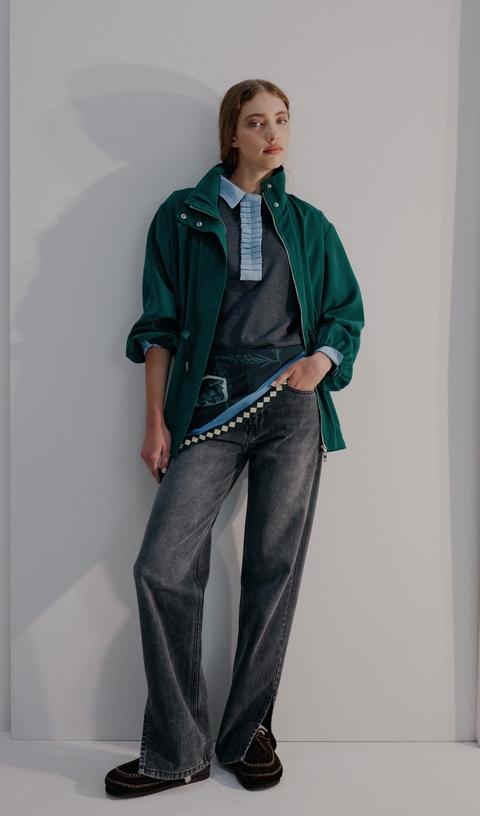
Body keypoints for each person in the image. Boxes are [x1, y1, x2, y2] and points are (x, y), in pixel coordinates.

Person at [105, 78, 364, 798]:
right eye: (256, 122)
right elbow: (158, 326)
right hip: (210, 406)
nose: (273, 134)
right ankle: (178, 749)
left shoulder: (308, 223)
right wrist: (155, 421)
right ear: (231, 134)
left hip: (291, 405)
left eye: (282, 120)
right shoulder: (183, 215)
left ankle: (248, 730)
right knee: (161, 567)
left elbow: (345, 312)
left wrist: (320, 363)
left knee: (273, 568)